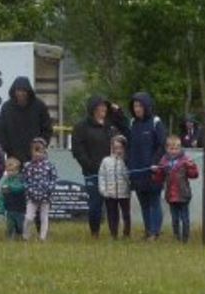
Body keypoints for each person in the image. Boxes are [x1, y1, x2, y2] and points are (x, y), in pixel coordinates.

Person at [72, 95, 129, 239]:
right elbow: (78, 151)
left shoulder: (111, 124)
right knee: (95, 204)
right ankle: (94, 232)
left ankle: (115, 233)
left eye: (105, 106)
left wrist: (119, 112)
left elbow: (126, 128)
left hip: (114, 172)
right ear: (93, 109)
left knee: (113, 205)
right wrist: (90, 166)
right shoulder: (81, 127)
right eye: (100, 106)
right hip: (93, 172)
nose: (103, 109)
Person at [127, 91, 168, 241]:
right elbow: (130, 146)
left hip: (153, 170)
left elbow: (162, 144)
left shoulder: (156, 121)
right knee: (143, 202)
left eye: (140, 105)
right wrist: (130, 166)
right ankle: (148, 230)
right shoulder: (132, 123)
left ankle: (155, 232)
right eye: (135, 106)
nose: (137, 109)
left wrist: (154, 163)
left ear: (146, 106)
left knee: (154, 201)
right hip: (137, 171)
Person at [153, 134, 200, 243]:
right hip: (171, 195)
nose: (174, 151)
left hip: (183, 194)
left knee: (185, 218)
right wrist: (156, 170)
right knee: (174, 219)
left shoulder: (185, 160)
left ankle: (185, 238)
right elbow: (158, 178)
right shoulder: (164, 161)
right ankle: (176, 237)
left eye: (176, 148)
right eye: (171, 148)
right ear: (167, 149)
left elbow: (194, 175)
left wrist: (191, 166)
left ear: (180, 148)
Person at [0, 76, 53, 165]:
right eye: (18, 90)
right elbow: (1, 130)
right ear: (14, 91)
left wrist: (41, 145)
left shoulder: (39, 106)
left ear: (29, 91)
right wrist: (7, 150)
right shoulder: (6, 107)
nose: (21, 93)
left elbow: (47, 128)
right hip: (13, 157)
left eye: (24, 90)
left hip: (36, 155)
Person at [23, 137, 58, 241]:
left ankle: (42, 237)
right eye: (35, 150)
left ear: (44, 151)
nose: (37, 154)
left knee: (44, 217)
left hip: (45, 197)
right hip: (31, 197)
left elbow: (54, 179)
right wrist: (29, 189)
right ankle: (26, 236)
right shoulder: (28, 166)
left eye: (40, 151)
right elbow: (24, 180)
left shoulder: (50, 166)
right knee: (29, 217)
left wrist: (49, 189)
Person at [98, 135, 132, 239]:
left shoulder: (126, 161)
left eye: (120, 147)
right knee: (112, 214)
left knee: (126, 214)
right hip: (110, 193)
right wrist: (103, 190)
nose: (118, 150)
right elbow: (101, 176)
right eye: (115, 147)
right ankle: (113, 234)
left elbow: (129, 178)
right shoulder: (106, 161)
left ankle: (126, 233)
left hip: (124, 193)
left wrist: (123, 163)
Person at [0, 156, 28, 240]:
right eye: (8, 171)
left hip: (20, 209)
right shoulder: (5, 182)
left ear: (17, 170)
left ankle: (22, 236)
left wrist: (11, 187)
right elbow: (2, 197)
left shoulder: (21, 180)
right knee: (10, 226)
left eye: (12, 170)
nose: (10, 172)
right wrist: (1, 208)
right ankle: (10, 239)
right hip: (9, 209)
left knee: (20, 226)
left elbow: (20, 188)